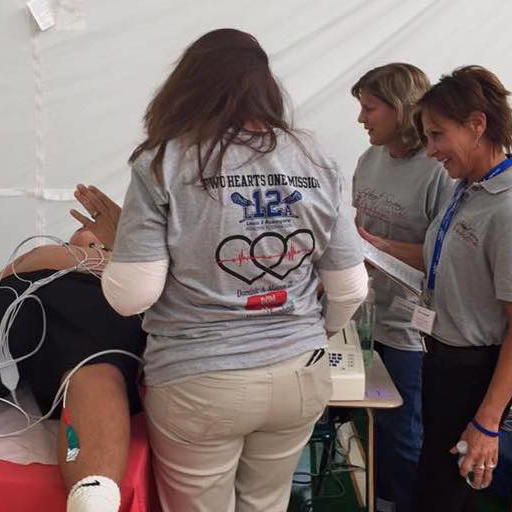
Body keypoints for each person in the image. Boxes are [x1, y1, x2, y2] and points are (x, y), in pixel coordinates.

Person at [100, 28, 369, 512]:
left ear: (187, 86)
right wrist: (310, 330)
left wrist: (115, 243)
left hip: (199, 378)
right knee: (267, 504)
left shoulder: (164, 159)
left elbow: (131, 295)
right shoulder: (312, 157)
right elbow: (350, 287)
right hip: (299, 373)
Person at [351, 62, 453, 512]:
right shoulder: (368, 160)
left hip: (412, 328)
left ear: (400, 109)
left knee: (403, 430)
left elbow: (447, 255)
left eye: (369, 108)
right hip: (364, 317)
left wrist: (378, 246)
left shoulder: (438, 171)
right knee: (369, 422)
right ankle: (378, 498)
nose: (361, 119)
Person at [413, 65, 512, 511]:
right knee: (436, 480)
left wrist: (488, 422)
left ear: (477, 125)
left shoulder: (507, 207)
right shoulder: (468, 187)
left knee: (453, 489)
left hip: (477, 373)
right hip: (442, 359)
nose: (431, 150)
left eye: (437, 135)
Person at [0, 219, 145, 512]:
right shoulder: (40, 253)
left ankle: (93, 501)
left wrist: (116, 257)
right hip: (14, 300)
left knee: (92, 364)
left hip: (93, 302)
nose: (88, 239)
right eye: (80, 236)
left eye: (99, 243)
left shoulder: (130, 269)